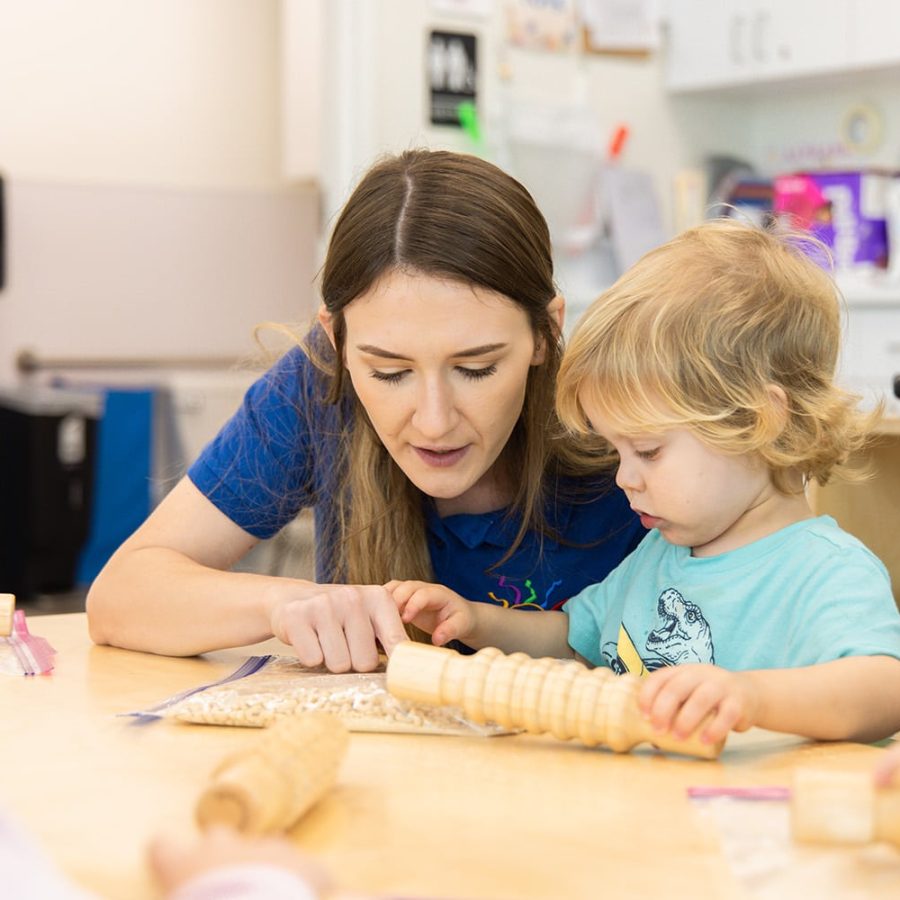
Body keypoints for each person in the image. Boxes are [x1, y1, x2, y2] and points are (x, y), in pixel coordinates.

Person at [86, 149, 644, 671]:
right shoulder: (316, 385)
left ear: (546, 333)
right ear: (337, 342)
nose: (434, 421)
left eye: (476, 369)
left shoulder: (629, 425)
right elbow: (120, 596)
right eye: (389, 372)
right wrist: (283, 603)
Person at [391, 219, 900, 747]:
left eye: (649, 451)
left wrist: (753, 697)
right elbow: (575, 640)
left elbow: (884, 690)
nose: (623, 478)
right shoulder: (659, 555)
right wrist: (476, 620)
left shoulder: (824, 570)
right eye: (618, 451)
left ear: (757, 422)